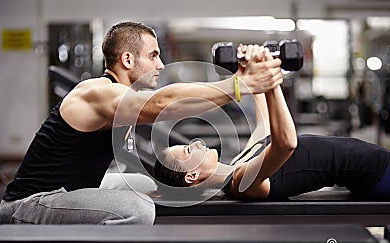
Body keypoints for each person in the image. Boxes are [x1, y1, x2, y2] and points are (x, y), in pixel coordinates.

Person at [0, 21, 284, 224]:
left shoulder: (118, 94)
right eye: (153, 56)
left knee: (140, 182)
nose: (160, 65)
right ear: (127, 59)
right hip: (30, 204)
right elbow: (161, 104)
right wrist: (239, 85)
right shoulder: (98, 93)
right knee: (140, 209)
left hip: (66, 192)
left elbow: (164, 103)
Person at [153, 47, 390, 201]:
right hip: (375, 172)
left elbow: (264, 126)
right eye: (185, 150)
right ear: (191, 177)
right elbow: (286, 143)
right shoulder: (241, 183)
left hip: (373, 163)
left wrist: (248, 74)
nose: (194, 143)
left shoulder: (238, 165)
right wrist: (270, 79)